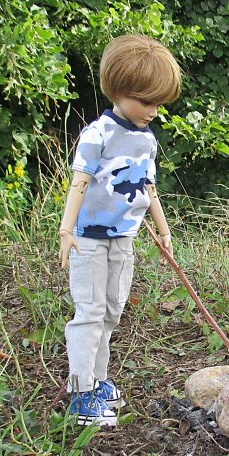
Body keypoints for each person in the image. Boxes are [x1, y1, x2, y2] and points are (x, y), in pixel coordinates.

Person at [58, 34, 181, 426]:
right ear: (119, 90)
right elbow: (79, 181)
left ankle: (99, 379)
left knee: (112, 310)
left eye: (159, 103)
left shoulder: (146, 139)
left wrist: (163, 230)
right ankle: (81, 392)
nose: (154, 112)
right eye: (147, 102)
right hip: (89, 238)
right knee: (89, 312)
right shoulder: (98, 134)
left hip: (123, 238)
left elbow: (148, 188)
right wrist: (66, 229)